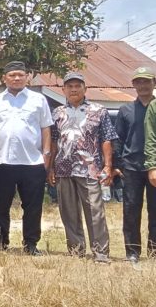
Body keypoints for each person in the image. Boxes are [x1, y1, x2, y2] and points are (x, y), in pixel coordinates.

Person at [49, 72, 116, 263]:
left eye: (77, 86)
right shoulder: (57, 112)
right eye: (69, 86)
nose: (74, 89)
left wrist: (108, 166)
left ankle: (100, 253)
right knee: (69, 212)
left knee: (95, 211)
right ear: (63, 90)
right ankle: (76, 251)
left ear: (85, 88)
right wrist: (50, 168)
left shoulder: (98, 110)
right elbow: (53, 142)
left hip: (90, 169)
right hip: (63, 169)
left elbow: (107, 139)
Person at [0, 61, 53, 256]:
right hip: (3, 161)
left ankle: (31, 243)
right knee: (1, 205)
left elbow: (46, 128)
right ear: (4, 78)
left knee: (33, 206)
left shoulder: (38, 99)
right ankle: (0, 242)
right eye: (12, 75)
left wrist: (46, 154)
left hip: (32, 161)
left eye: (20, 75)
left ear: (27, 77)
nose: (16, 78)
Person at [118, 67, 156, 263]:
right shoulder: (126, 110)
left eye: (146, 81)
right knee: (131, 210)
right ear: (133, 85)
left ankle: (154, 251)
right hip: (132, 167)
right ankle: (132, 252)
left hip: (154, 167)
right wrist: (118, 165)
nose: (143, 85)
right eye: (138, 82)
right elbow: (119, 139)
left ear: (154, 83)